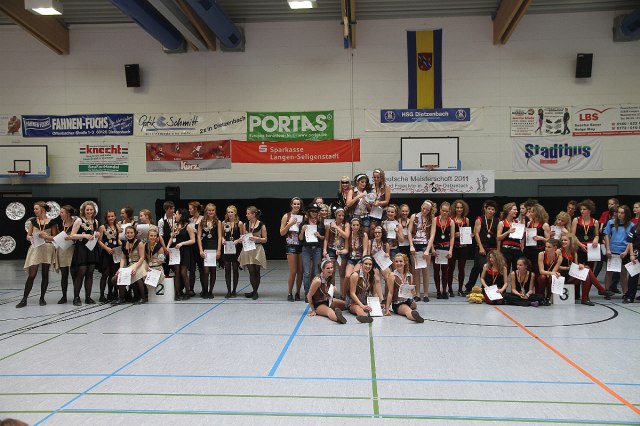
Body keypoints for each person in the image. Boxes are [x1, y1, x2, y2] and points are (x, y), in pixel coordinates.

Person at [16, 201, 57, 308]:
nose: (34, 211)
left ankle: (42, 298)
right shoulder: (33, 221)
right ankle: (24, 299)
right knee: (32, 274)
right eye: (34, 209)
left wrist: (46, 237)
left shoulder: (52, 222)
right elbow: (28, 236)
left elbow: (55, 237)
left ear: (42, 209)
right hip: (36, 247)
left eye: (36, 209)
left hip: (47, 248)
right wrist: (33, 237)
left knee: (45, 274)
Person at [557, 233, 612, 305]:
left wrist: (580, 266)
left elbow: (576, 265)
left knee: (586, 273)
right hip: (561, 274)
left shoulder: (574, 252)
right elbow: (555, 267)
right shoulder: (559, 251)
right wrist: (568, 268)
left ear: (570, 241)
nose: (563, 242)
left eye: (565, 240)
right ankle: (600, 290)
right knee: (587, 270)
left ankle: (585, 299)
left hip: (571, 272)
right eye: (562, 240)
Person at [70, 201, 101, 306]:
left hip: (91, 248)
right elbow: (72, 235)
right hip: (82, 248)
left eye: (91, 210)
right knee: (81, 272)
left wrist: (97, 234)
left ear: (94, 211)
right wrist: (84, 236)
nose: (89, 211)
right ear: (84, 210)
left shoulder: (95, 221)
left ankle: (88, 297)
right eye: (87, 209)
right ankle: (76, 297)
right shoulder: (79, 220)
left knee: (90, 273)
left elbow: (95, 234)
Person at [465, 200, 498, 293]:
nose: (490, 211)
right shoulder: (480, 219)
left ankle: (483, 288)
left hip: (492, 249)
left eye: (492, 209)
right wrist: (480, 247)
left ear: (495, 211)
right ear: (485, 209)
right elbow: (476, 233)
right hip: (482, 248)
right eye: (489, 209)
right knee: (482, 266)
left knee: (477, 268)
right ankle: (470, 287)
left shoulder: (497, 220)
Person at [603, 205, 633, 299]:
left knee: (623, 273)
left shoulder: (631, 225)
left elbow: (630, 240)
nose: (619, 214)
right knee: (609, 272)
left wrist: (626, 252)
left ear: (626, 214)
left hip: (623, 252)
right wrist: (608, 249)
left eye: (622, 213)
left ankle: (625, 293)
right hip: (612, 251)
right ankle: (606, 291)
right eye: (618, 212)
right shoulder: (611, 222)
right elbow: (606, 235)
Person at [409, 200, 436, 302]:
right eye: (423, 208)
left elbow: (432, 235)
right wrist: (411, 246)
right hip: (415, 245)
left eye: (427, 210)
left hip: (425, 245)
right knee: (415, 271)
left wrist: (428, 250)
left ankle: (425, 294)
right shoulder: (414, 216)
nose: (425, 211)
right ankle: (417, 294)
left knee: (425, 271)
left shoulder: (432, 219)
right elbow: (409, 232)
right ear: (421, 206)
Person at [384, 253, 424, 322]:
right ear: (394, 263)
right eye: (396, 262)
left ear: (405, 262)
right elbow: (390, 293)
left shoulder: (410, 275)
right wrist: (387, 309)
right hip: (398, 302)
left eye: (400, 261)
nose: (398, 263)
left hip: (407, 300)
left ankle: (410, 311)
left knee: (414, 305)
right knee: (407, 310)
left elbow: (411, 292)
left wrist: (413, 294)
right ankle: (414, 317)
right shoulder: (392, 275)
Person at [166, 208, 196, 301]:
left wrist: (182, 243)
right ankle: (177, 293)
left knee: (183, 272)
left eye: (177, 214)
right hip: (175, 251)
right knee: (177, 272)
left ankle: (187, 292)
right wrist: (168, 246)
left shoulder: (188, 226)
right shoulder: (175, 225)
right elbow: (172, 237)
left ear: (181, 215)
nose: (175, 215)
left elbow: (193, 240)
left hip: (185, 251)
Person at [239, 206, 268, 300]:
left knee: (256, 271)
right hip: (248, 249)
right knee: (251, 271)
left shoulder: (261, 225)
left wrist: (256, 238)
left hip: (257, 249)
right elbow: (243, 236)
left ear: (254, 214)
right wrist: (241, 239)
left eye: (248, 213)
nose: (246, 215)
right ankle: (254, 291)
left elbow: (265, 239)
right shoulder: (245, 224)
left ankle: (255, 291)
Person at [307, 259, 347, 324]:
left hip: (328, 300)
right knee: (329, 311)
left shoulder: (329, 277)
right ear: (322, 270)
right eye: (328, 268)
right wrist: (313, 310)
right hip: (318, 304)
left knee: (346, 304)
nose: (330, 269)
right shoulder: (317, 281)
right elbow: (309, 296)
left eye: (331, 267)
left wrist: (332, 289)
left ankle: (360, 312)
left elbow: (326, 292)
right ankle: (338, 318)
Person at [115, 225, 148, 304]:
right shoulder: (124, 244)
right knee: (115, 279)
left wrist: (135, 268)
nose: (129, 234)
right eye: (128, 233)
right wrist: (120, 268)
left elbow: (142, 257)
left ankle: (143, 297)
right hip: (130, 264)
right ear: (125, 234)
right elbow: (123, 258)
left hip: (140, 263)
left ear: (135, 233)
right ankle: (125, 296)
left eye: (131, 233)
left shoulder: (139, 243)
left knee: (137, 275)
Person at [346, 256, 384, 323]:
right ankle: (365, 317)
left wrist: (377, 304)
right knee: (358, 309)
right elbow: (352, 293)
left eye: (370, 264)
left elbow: (375, 293)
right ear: (361, 264)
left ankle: (367, 314)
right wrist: (362, 306)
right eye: (366, 264)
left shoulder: (371, 276)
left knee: (375, 309)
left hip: (365, 302)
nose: (368, 266)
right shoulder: (355, 275)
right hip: (353, 302)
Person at [299, 203, 325, 299]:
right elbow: (300, 238)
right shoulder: (304, 223)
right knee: (306, 272)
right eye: (312, 211)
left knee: (316, 272)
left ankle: (316, 293)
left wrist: (319, 235)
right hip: (306, 249)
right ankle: (307, 294)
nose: (314, 213)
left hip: (317, 249)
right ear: (309, 212)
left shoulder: (320, 224)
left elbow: (323, 238)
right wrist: (302, 231)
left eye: (316, 211)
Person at [429, 202, 454, 299]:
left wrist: (450, 250)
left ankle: (444, 291)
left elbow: (452, 237)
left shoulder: (451, 222)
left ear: (449, 211)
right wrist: (432, 248)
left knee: (445, 270)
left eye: (446, 211)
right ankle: (438, 291)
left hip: (446, 249)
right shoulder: (435, 220)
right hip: (436, 248)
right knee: (436, 270)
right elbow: (431, 235)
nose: (444, 212)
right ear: (440, 210)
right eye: (443, 210)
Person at [197, 203, 222, 299]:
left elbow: (219, 237)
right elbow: (198, 236)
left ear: (215, 211)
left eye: (213, 210)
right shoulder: (202, 222)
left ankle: (210, 291)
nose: (211, 212)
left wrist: (219, 250)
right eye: (209, 210)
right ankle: (205, 290)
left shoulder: (218, 222)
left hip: (214, 247)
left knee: (213, 270)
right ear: (206, 211)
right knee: (205, 271)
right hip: (205, 247)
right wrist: (200, 250)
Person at [324, 207, 350, 296]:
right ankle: (332, 294)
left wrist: (336, 227)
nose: (341, 217)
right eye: (339, 215)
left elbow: (346, 236)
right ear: (335, 215)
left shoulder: (346, 225)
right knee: (331, 272)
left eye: (343, 215)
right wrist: (324, 249)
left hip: (341, 250)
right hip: (331, 249)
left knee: (342, 273)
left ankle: (343, 294)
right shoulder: (329, 225)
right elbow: (326, 239)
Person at [97, 209, 121, 303]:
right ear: (106, 217)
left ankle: (111, 293)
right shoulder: (102, 227)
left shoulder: (117, 226)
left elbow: (118, 239)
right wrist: (106, 248)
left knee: (113, 274)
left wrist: (122, 246)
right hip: (106, 253)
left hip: (116, 253)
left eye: (112, 216)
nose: (110, 218)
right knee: (105, 274)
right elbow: (99, 241)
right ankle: (101, 295)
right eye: (108, 216)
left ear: (115, 217)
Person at [222, 205, 245, 298]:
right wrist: (223, 240)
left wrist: (238, 240)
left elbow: (243, 236)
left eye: (232, 212)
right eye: (228, 212)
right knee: (227, 270)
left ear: (235, 213)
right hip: (227, 248)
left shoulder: (239, 223)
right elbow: (221, 235)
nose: (230, 214)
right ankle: (228, 291)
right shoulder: (224, 223)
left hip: (236, 248)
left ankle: (234, 290)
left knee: (235, 270)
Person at [55, 205, 76, 304]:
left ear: (68, 214)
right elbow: (56, 235)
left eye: (62, 212)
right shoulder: (59, 223)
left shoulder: (75, 222)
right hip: (62, 250)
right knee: (64, 275)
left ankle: (76, 296)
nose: (60, 214)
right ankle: (64, 296)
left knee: (74, 274)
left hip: (72, 249)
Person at [571, 199, 600, 270]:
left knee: (589, 268)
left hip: (591, 248)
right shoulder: (576, 220)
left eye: (584, 209)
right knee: (578, 268)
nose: (582, 211)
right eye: (581, 209)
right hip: (578, 246)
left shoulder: (595, 222)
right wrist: (580, 244)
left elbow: (597, 235)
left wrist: (596, 239)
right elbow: (572, 235)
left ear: (590, 210)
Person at [449, 200, 470, 297]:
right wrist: (453, 234)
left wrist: (470, 235)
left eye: (461, 207)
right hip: (454, 247)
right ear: (454, 208)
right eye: (457, 207)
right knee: (451, 268)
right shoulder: (451, 219)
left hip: (463, 247)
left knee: (461, 268)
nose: (459, 209)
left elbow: (467, 233)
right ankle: (450, 289)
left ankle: (460, 289)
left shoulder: (466, 220)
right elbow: (446, 233)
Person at [522, 203, 550, 275]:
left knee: (536, 270)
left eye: (532, 212)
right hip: (528, 249)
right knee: (527, 269)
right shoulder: (529, 223)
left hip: (538, 250)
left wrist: (541, 238)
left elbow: (549, 241)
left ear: (537, 213)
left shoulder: (544, 225)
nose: (530, 213)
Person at [497, 202, 523, 273]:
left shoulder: (518, 223)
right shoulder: (502, 223)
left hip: (517, 250)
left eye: (516, 210)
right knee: (505, 271)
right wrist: (508, 232)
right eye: (514, 210)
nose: (516, 211)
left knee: (517, 272)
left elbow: (521, 238)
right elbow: (498, 238)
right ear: (508, 211)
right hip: (506, 250)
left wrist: (523, 232)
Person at [344, 217, 369, 285]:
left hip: (360, 259)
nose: (356, 227)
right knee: (347, 276)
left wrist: (362, 261)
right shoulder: (349, 235)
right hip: (351, 259)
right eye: (354, 225)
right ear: (351, 226)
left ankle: (354, 291)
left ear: (360, 226)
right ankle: (344, 292)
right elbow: (346, 249)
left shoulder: (364, 235)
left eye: (357, 225)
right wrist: (339, 251)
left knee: (354, 275)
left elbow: (365, 250)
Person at [536, 239, 561, 303]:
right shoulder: (541, 254)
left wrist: (554, 274)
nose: (546, 249)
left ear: (555, 248)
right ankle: (541, 296)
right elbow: (541, 271)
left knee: (553, 278)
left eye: (549, 247)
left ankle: (548, 297)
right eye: (546, 247)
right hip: (540, 275)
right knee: (543, 277)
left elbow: (554, 272)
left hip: (549, 275)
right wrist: (552, 273)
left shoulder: (559, 257)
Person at [188, 201, 204, 297]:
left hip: (200, 246)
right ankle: (190, 289)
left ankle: (204, 289)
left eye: (190, 209)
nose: (189, 210)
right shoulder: (189, 220)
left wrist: (197, 232)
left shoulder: (203, 219)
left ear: (196, 209)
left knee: (202, 269)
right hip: (191, 247)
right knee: (192, 269)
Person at [369, 168, 391, 236]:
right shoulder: (370, 186)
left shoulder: (386, 187)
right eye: (374, 177)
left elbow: (387, 201)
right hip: (373, 211)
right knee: (373, 229)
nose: (376, 179)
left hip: (383, 211)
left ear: (381, 177)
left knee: (382, 229)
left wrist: (378, 203)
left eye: (378, 177)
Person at [157, 200, 175, 278]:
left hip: (176, 244)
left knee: (177, 267)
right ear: (166, 209)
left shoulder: (177, 218)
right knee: (166, 267)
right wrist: (164, 248)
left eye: (173, 208)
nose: (173, 210)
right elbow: (160, 235)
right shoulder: (161, 221)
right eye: (171, 209)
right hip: (166, 244)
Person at [625, 224, 639, 303]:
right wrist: (631, 254)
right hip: (637, 252)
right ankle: (630, 296)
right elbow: (630, 242)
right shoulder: (635, 228)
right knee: (633, 276)